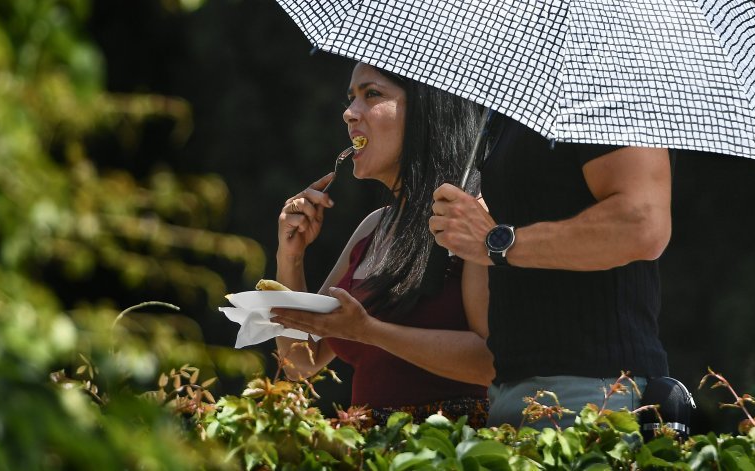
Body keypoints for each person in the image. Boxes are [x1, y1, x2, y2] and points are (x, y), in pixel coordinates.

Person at [270, 62, 494, 428]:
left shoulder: (473, 217)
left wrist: (369, 331)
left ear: (426, 111)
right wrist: (290, 257)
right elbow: (300, 361)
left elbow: (491, 362)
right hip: (371, 449)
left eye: (371, 94)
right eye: (351, 98)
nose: (348, 113)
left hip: (448, 451)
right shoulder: (373, 227)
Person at [429, 115, 672, 428]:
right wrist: (478, 238)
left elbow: (641, 224)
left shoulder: (610, 82)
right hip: (509, 395)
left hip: (593, 395)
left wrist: (499, 243)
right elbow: (486, 324)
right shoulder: (508, 113)